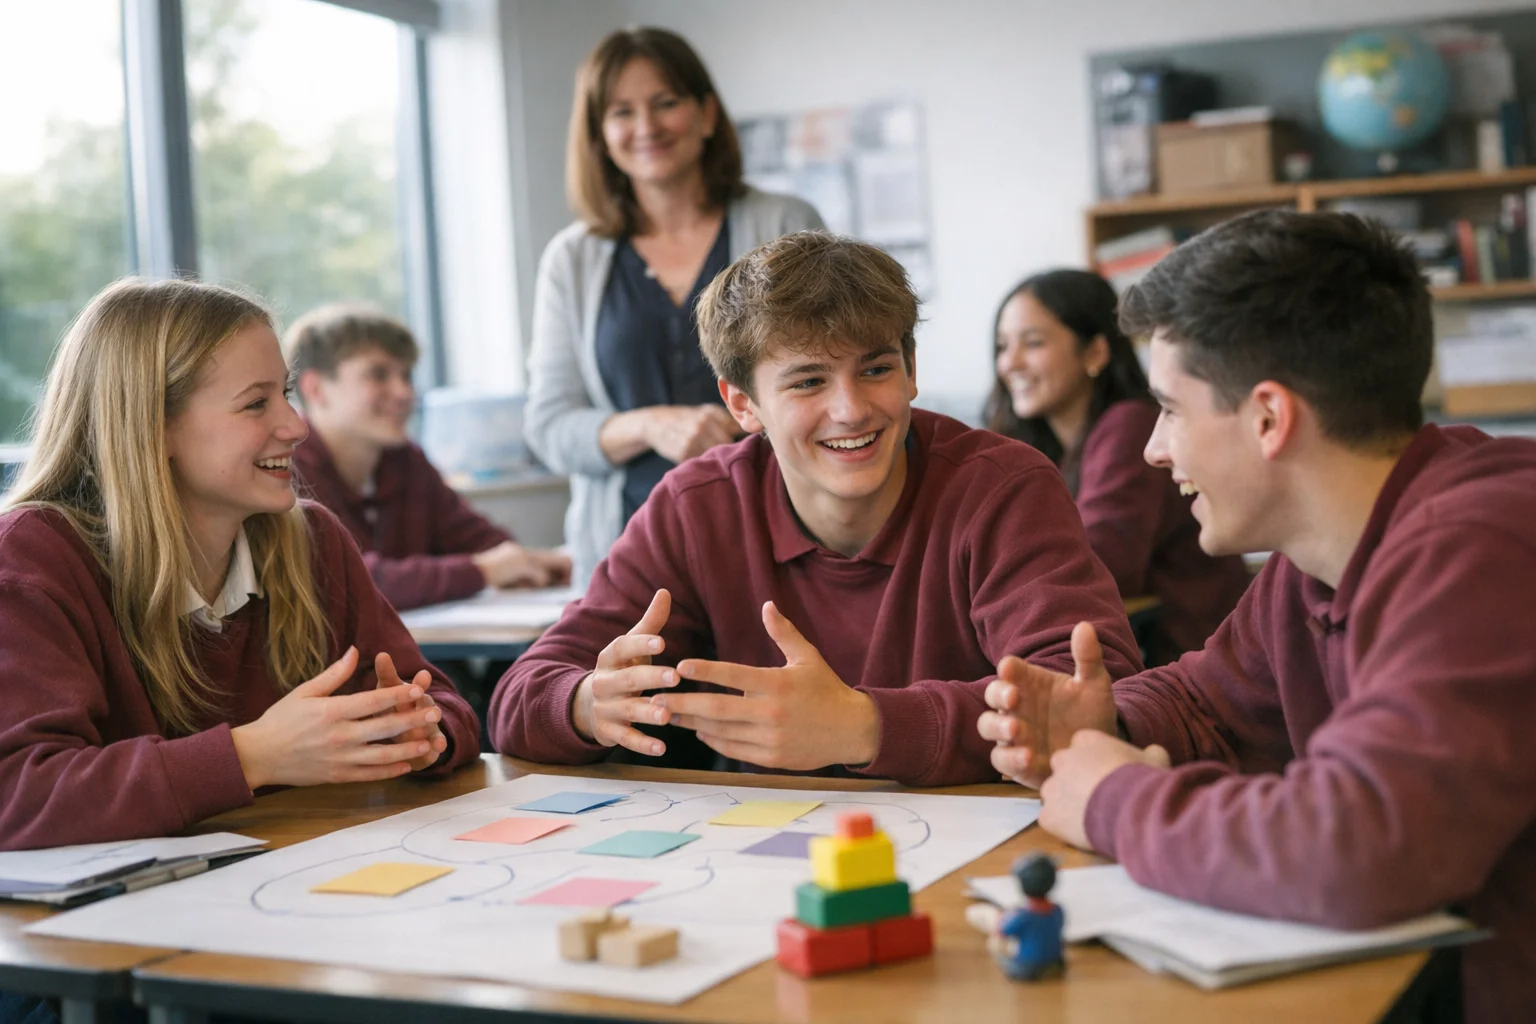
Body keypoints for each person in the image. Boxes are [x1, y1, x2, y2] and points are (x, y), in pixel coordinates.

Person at [977, 210, 1536, 1023]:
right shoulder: (1315, 556)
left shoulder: (1482, 549)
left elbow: (1363, 847)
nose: (1152, 449)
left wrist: (1117, 800)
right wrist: (1111, 726)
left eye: (1169, 409)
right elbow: (1210, 698)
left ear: (1270, 418)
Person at [491, 232, 1140, 784]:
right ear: (742, 404)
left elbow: (1090, 698)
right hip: (767, 862)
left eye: (876, 369)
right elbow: (520, 696)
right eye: (808, 381)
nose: (851, 408)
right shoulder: (697, 507)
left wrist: (865, 726)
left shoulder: (1003, 486)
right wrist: (584, 703)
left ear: (912, 369)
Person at [0, 278, 481, 852]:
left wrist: (418, 731)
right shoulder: (32, 558)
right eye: (257, 403)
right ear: (153, 427)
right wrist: (253, 755)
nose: (296, 427)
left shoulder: (314, 541)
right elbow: (18, 795)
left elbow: (449, 710)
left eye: (286, 394)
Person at [525, 26, 824, 585]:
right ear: (599, 134)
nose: (646, 128)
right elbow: (548, 426)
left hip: (781, 537)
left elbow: (826, 376)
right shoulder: (572, 258)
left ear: (707, 114)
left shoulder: (785, 224)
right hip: (628, 555)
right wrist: (650, 425)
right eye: (621, 111)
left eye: (666, 103)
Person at [984, 269, 1248, 663]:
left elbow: (1098, 561)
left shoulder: (1130, 426)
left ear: (1095, 352)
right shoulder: (1045, 445)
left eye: (1033, 343)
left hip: (1191, 664)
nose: (1010, 363)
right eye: (1003, 346)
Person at [286, 303, 570, 611]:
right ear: (315, 389)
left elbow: (480, 539)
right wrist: (484, 570)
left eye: (406, 375)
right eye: (378, 375)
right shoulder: (287, 468)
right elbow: (343, 579)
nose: (404, 392)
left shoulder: (405, 459)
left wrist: (530, 563)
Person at [991, 854, 1065, 982]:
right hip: (1056, 961)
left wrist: (1001, 917)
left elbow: (1002, 932)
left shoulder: (1023, 917)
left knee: (997, 948)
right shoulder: (1057, 910)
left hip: (1028, 966)